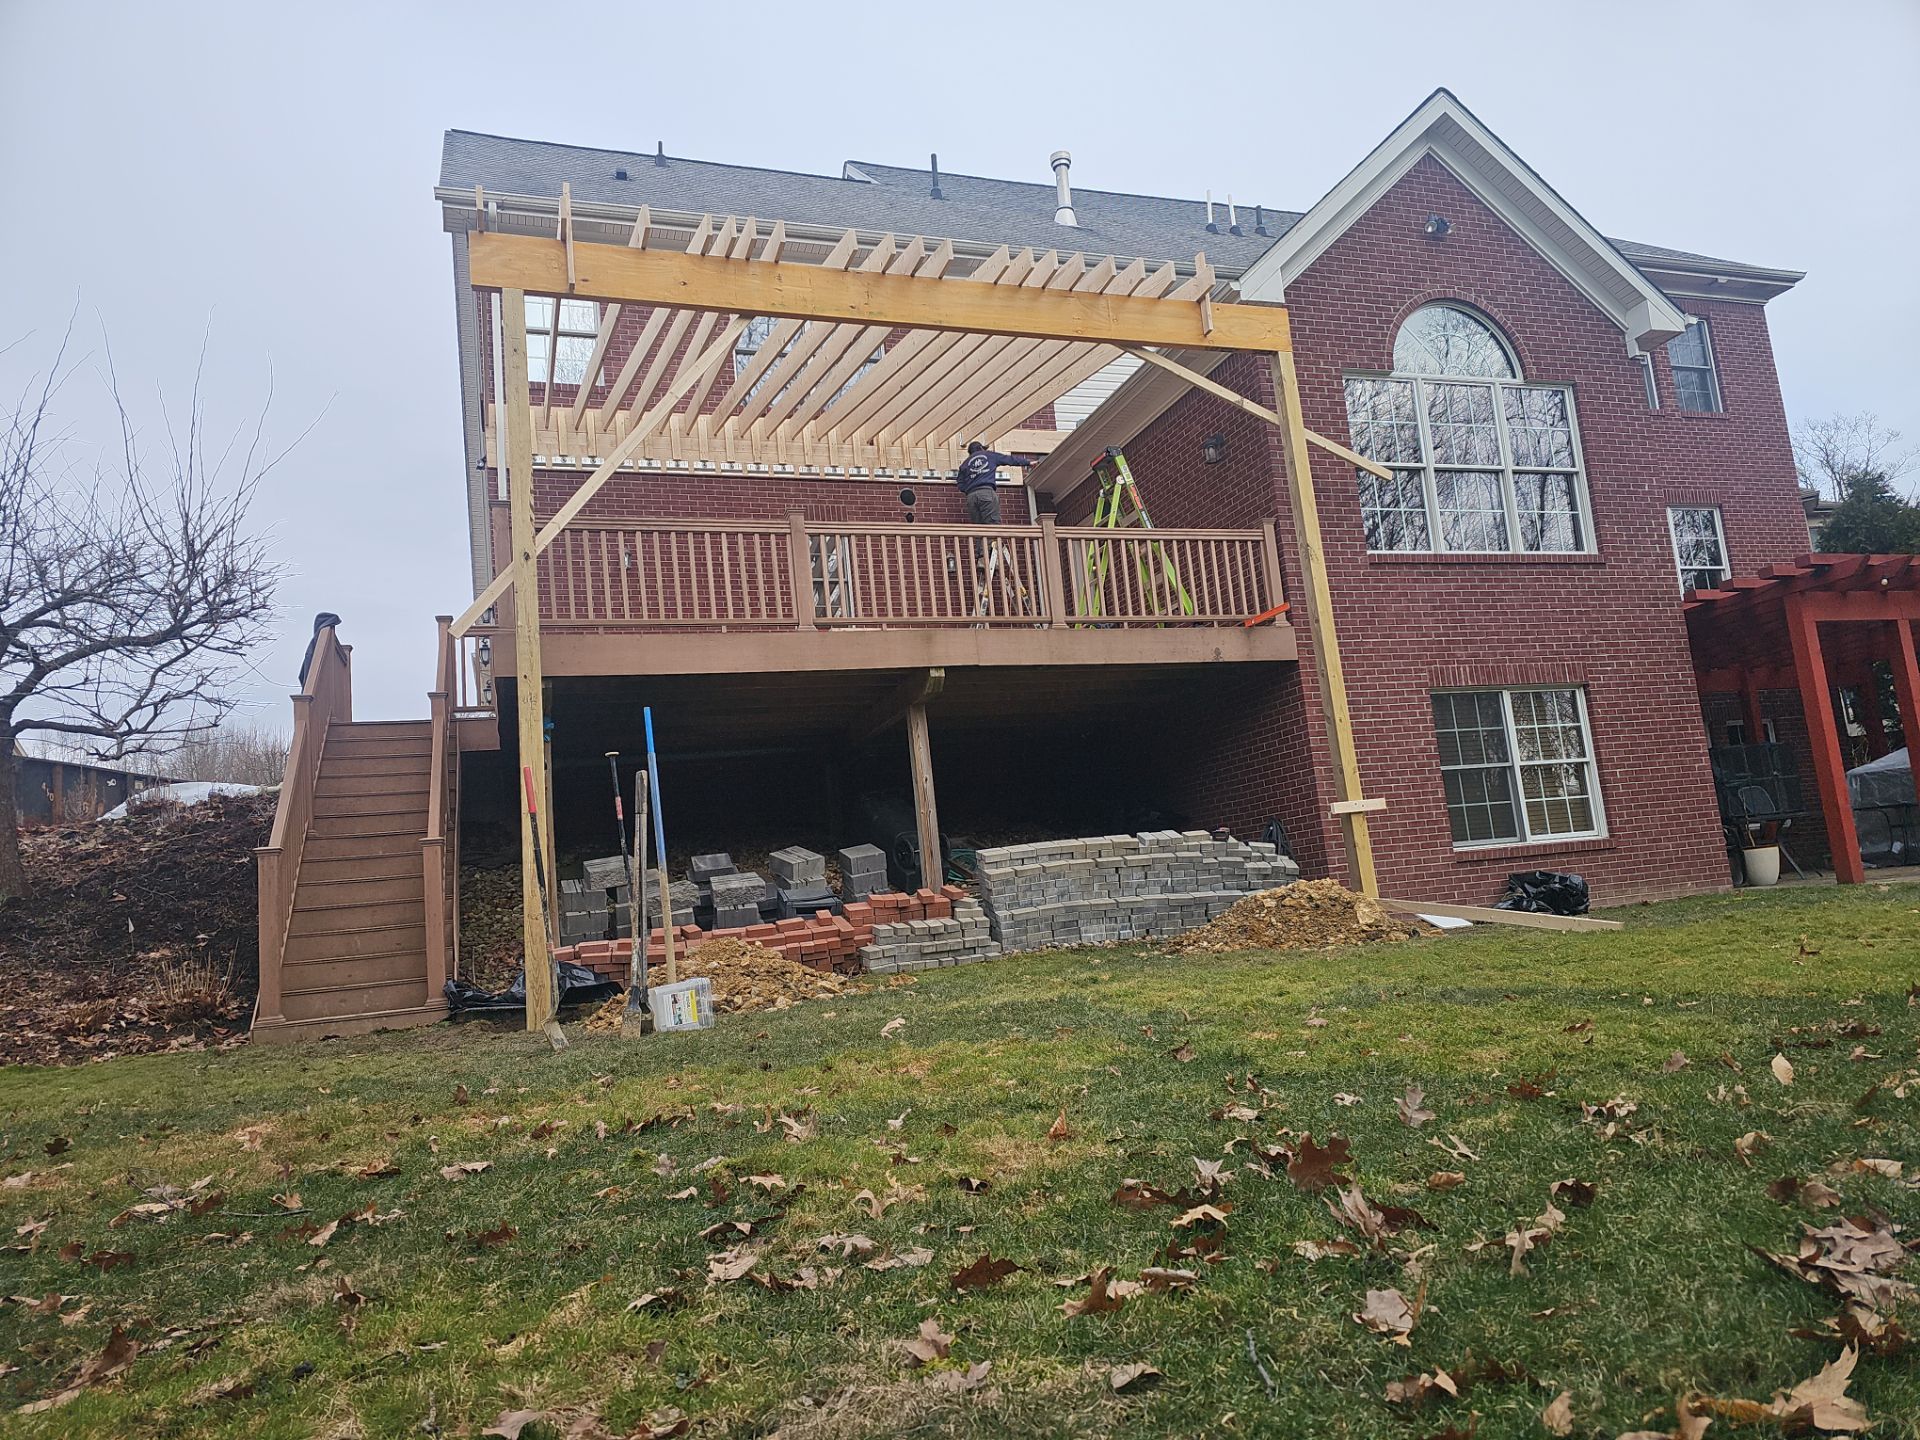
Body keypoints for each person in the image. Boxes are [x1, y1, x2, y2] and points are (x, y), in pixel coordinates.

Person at [953, 441, 1033, 525]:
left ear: (970, 453)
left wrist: (967, 490)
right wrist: (1028, 463)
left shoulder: (965, 464)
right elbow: (1009, 459)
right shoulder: (989, 455)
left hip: (971, 497)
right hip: (986, 492)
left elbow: (960, 483)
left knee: (977, 527)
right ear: (981, 448)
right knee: (992, 524)